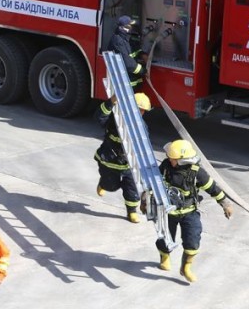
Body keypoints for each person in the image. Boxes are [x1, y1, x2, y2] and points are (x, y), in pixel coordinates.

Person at [152, 140, 234, 283]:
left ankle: (186, 268)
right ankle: (165, 257)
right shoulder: (165, 166)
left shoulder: (197, 173)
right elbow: (153, 184)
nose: (169, 159)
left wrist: (225, 203)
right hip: (168, 213)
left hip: (189, 212)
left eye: (173, 158)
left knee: (193, 240)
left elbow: (212, 188)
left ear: (183, 160)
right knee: (165, 238)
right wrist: (146, 200)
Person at [94, 92, 152, 223]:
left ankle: (131, 212)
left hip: (130, 164)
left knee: (132, 189)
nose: (142, 113)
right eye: (139, 109)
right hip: (110, 160)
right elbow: (99, 117)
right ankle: (103, 184)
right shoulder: (115, 118)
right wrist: (111, 102)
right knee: (111, 186)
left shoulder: (141, 125)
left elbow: (145, 144)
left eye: (144, 111)